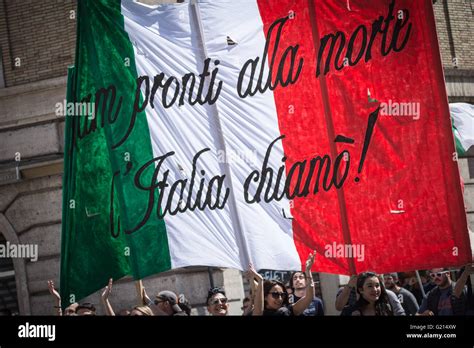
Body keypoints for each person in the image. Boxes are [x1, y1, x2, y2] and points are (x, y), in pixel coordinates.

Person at [252, 251, 316, 316]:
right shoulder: (257, 312)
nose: (280, 299)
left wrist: (308, 270)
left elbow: (309, 297)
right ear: (265, 296)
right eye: (275, 295)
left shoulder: (286, 312)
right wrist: (260, 281)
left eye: (282, 295)